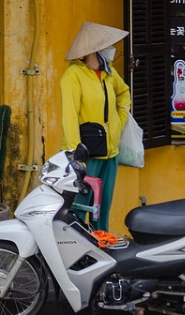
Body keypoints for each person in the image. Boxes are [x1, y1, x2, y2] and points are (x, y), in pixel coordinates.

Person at [60, 21, 132, 232]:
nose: (110, 50)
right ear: (94, 51)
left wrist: (120, 119)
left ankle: (103, 245)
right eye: (105, 46)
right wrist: (76, 154)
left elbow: (124, 92)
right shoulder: (73, 76)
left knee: (103, 207)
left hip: (111, 151)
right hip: (86, 154)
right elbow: (70, 115)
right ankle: (79, 249)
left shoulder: (109, 73)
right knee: (80, 207)